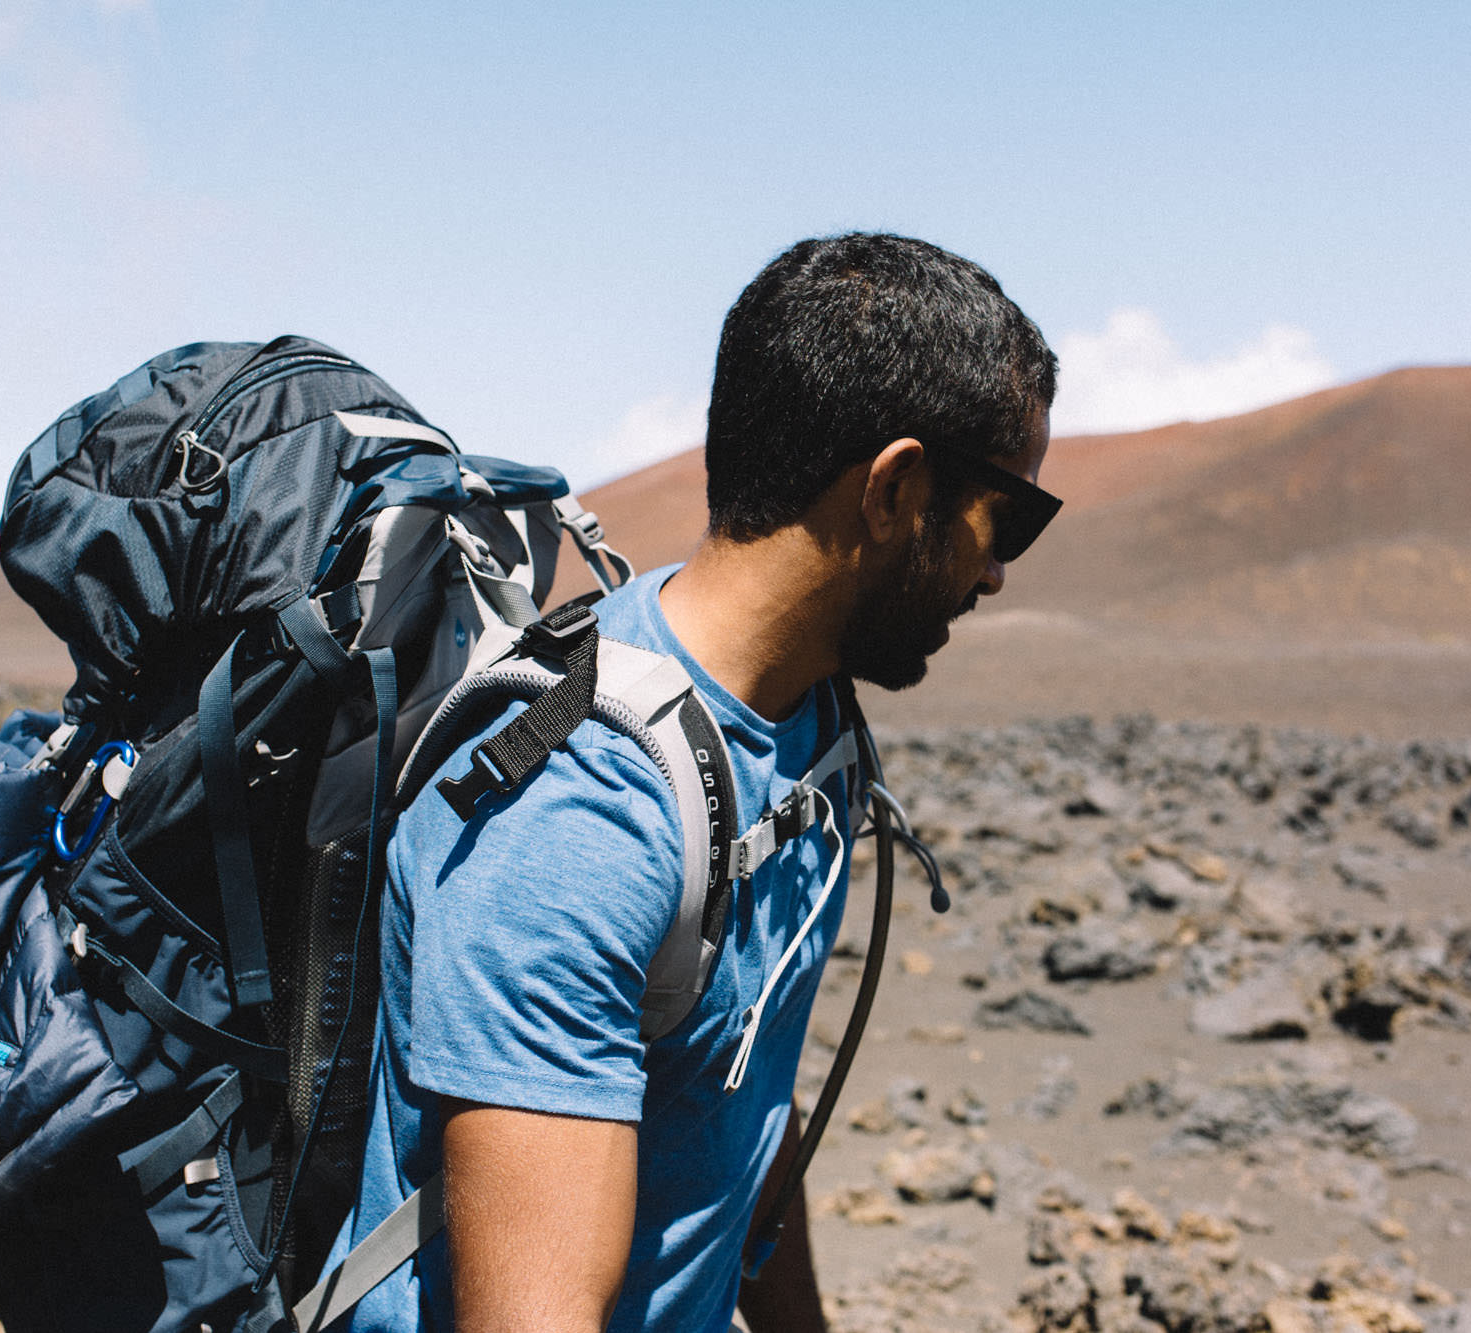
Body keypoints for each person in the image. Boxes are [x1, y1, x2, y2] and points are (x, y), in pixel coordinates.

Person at [335, 231, 1060, 1331]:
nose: (1001, 569)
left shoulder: (805, 719)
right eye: (1008, 513)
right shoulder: (579, 820)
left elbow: (736, 1093)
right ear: (894, 487)